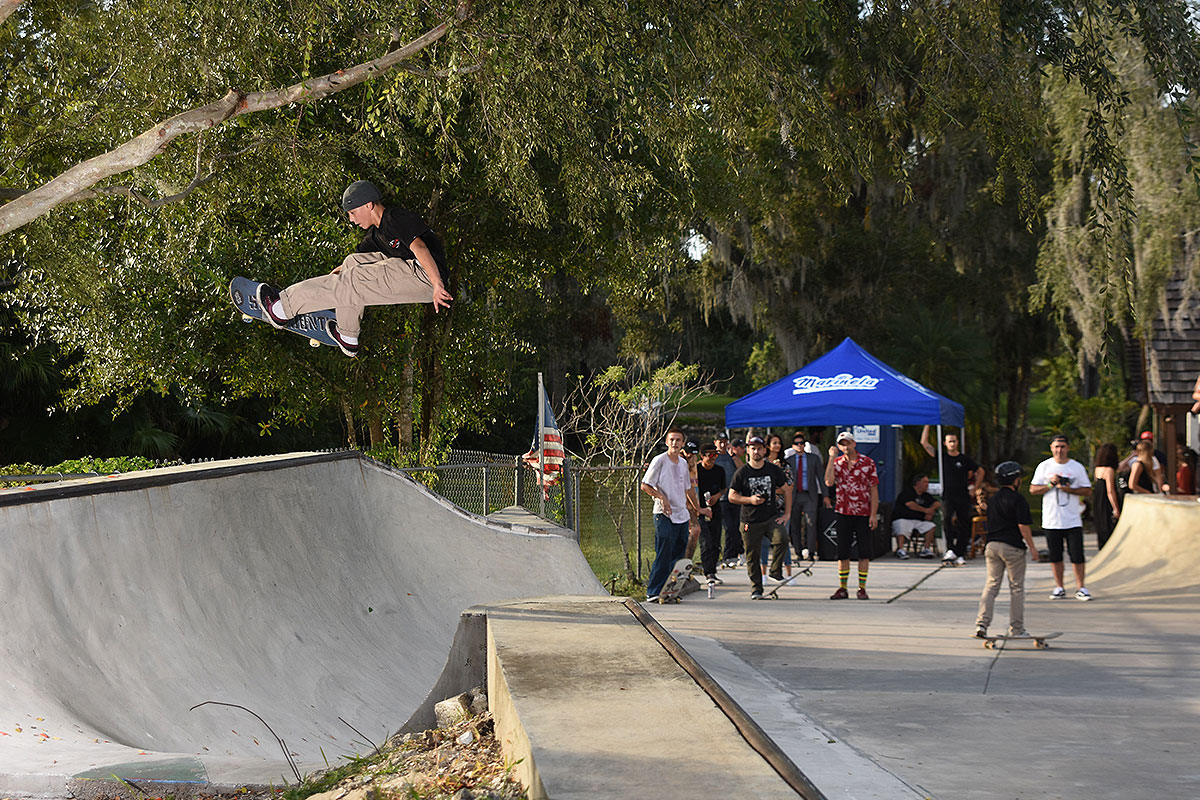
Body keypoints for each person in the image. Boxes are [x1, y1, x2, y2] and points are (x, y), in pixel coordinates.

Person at [257, 180, 453, 357]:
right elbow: (354, 262)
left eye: (352, 213)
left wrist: (437, 284)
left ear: (368, 205)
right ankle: (347, 335)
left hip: (425, 274)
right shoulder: (377, 235)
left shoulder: (395, 218)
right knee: (352, 264)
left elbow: (419, 247)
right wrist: (337, 273)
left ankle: (282, 309)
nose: (351, 220)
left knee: (354, 280)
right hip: (413, 273)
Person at [974, 461, 1041, 639]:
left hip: (992, 546)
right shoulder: (1018, 499)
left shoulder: (993, 499)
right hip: (1012, 548)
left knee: (991, 585)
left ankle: (981, 624)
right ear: (1016, 480)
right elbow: (1023, 526)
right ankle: (1017, 629)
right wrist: (1033, 549)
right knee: (1017, 588)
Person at [1030, 434, 1094, 601]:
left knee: (1077, 555)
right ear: (1051, 448)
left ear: (1068, 448)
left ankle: (1081, 586)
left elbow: (1087, 490)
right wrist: (1050, 484)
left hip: (1072, 519)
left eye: (1063, 447)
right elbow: (1033, 489)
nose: (1059, 450)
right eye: (1056, 447)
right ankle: (1059, 586)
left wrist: (1069, 489)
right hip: (1052, 520)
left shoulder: (1076, 467)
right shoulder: (1044, 466)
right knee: (1055, 556)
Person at [640, 428, 700, 602]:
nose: (674, 443)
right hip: (663, 513)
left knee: (679, 553)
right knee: (664, 550)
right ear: (667, 442)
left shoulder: (682, 463)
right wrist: (661, 497)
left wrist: (698, 508)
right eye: (671, 440)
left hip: (681, 514)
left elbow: (688, 489)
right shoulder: (659, 461)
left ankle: (670, 589)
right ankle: (653, 590)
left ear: (682, 444)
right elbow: (645, 485)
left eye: (678, 440)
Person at [728, 436, 792, 600]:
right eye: (752, 448)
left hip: (771, 517)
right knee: (752, 556)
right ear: (748, 451)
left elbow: (787, 489)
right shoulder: (742, 472)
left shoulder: (772, 469)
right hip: (750, 520)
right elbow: (732, 496)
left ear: (765, 450)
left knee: (782, 539)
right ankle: (756, 588)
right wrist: (750, 500)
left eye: (759, 448)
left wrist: (787, 514)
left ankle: (775, 571)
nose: (756, 451)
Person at [824, 430, 879, 599]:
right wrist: (831, 458)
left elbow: (874, 489)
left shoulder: (867, 463)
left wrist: (873, 514)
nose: (845, 446)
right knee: (843, 552)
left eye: (848, 443)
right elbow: (828, 481)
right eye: (842, 444)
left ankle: (862, 588)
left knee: (864, 552)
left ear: (854, 443)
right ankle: (843, 587)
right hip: (843, 511)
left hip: (862, 512)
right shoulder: (837, 463)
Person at [920, 426, 983, 566]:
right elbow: (924, 444)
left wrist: (974, 488)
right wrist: (928, 424)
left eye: (954, 441)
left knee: (964, 523)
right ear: (945, 443)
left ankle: (960, 553)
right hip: (948, 495)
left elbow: (980, 471)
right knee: (947, 520)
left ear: (957, 442)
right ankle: (950, 549)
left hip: (963, 495)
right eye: (950, 441)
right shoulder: (942, 457)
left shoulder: (964, 459)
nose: (952, 444)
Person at [786, 429, 828, 561]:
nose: (799, 445)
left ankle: (811, 552)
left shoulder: (813, 459)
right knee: (795, 524)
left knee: (811, 523)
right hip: (793, 496)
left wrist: (825, 495)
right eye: (797, 443)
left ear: (805, 444)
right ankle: (798, 552)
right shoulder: (789, 460)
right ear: (793, 446)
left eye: (802, 443)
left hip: (809, 495)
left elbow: (821, 477)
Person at [695, 443, 728, 583]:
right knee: (706, 542)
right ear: (702, 456)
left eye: (716, 455)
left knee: (715, 542)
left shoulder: (720, 470)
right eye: (710, 455)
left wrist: (717, 496)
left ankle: (712, 571)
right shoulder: (695, 470)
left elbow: (723, 488)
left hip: (715, 509)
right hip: (699, 510)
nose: (714, 458)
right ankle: (707, 571)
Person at [763, 434, 794, 579]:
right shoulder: (761, 463)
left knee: (783, 540)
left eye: (779, 443)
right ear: (768, 446)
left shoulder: (785, 464)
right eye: (774, 443)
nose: (777, 446)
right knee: (763, 543)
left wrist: (777, 482)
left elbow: (789, 487)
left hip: (781, 509)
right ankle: (763, 574)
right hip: (763, 509)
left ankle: (788, 574)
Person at [892, 474, 941, 559]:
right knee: (902, 525)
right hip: (904, 518)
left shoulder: (925, 495)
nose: (927, 484)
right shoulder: (907, 492)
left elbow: (937, 503)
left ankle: (926, 549)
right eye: (925, 482)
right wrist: (925, 511)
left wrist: (930, 510)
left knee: (931, 526)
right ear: (918, 483)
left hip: (919, 520)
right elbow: (911, 505)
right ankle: (900, 549)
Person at [714, 434, 744, 568]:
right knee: (729, 527)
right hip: (721, 498)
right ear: (715, 442)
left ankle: (729, 556)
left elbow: (743, 470)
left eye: (725, 442)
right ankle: (740, 551)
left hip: (735, 496)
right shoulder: (713, 457)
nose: (722, 445)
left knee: (735, 526)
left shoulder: (732, 457)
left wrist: (734, 456)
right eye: (720, 442)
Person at [1092, 443, 1121, 550]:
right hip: (1106, 502)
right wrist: (1116, 508)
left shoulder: (1097, 469)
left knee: (1101, 526)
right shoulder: (1109, 470)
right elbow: (1110, 491)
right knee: (1109, 527)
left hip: (1098, 500)